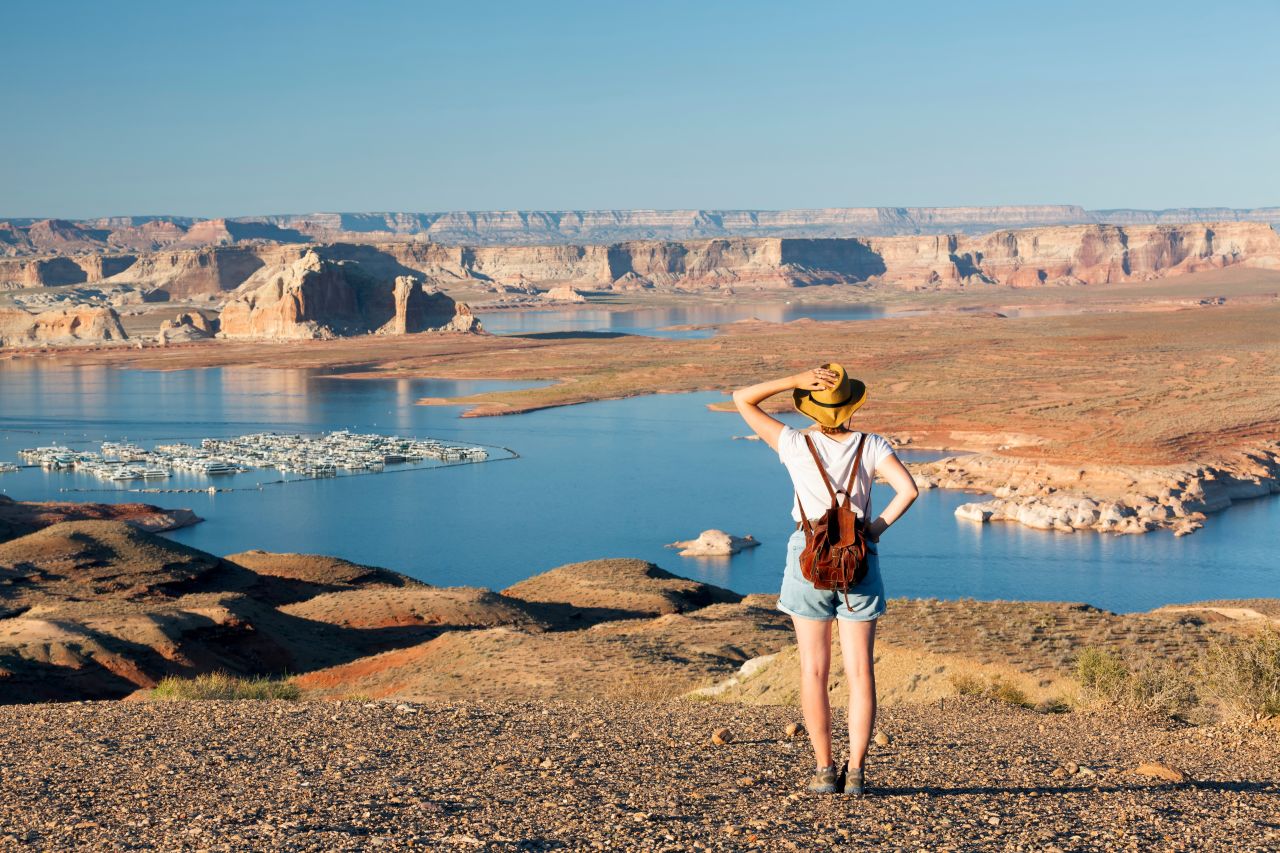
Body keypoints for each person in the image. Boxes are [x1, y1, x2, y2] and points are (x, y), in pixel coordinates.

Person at [732, 363, 918, 795]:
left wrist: (793, 380)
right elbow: (908, 490)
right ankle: (856, 773)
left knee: (813, 671)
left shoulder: (794, 442)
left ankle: (824, 770)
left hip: (807, 560)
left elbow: (742, 397)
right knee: (860, 673)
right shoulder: (872, 445)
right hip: (860, 559)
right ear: (852, 406)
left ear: (811, 406)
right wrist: (874, 531)